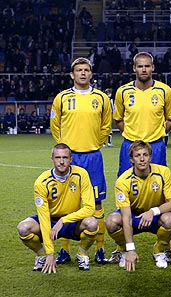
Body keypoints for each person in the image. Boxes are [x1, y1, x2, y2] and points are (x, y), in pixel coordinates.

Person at [50, 57, 112, 265]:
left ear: (91, 73)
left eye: (86, 70)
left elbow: (106, 125)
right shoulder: (61, 98)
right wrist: (65, 149)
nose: (83, 73)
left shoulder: (101, 98)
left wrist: (96, 143)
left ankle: (100, 249)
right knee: (69, 204)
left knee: (96, 202)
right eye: (79, 70)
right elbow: (55, 124)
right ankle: (65, 250)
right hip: (71, 157)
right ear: (72, 74)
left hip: (93, 156)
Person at [17, 143, 98, 273]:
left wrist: (64, 220)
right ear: (52, 159)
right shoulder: (41, 182)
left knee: (92, 223)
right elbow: (43, 218)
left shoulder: (81, 174)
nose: (61, 162)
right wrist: (50, 253)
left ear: (71, 159)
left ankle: (81, 254)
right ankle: (42, 255)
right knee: (23, 228)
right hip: (50, 220)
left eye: (65, 158)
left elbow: (90, 208)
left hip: (72, 221)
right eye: (58, 157)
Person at [105, 140, 171, 271]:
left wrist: (153, 212)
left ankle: (159, 250)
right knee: (111, 221)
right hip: (134, 217)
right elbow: (126, 217)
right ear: (132, 160)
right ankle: (123, 250)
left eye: (145, 155)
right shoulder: (122, 181)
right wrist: (131, 249)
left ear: (150, 157)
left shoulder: (163, 172)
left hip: (155, 216)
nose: (142, 159)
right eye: (137, 155)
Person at [114, 52, 171, 176]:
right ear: (134, 68)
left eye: (147, 66)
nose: (143, 69)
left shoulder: (164, 91)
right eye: (140, 66)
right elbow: (118, 119)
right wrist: (130, 133)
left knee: (158, 185)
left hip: (156, 145)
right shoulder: (123, 91)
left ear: (152, 67)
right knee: (127, 184)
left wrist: (160, 133)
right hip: (130, 144)